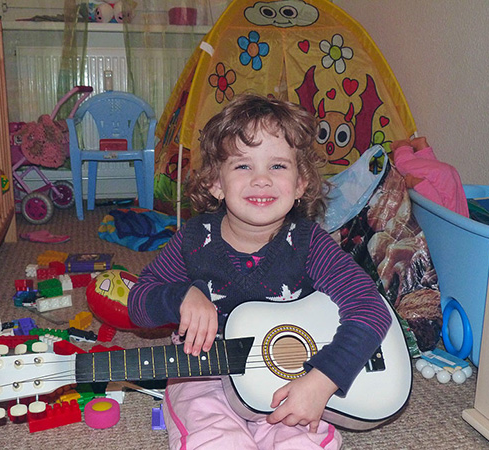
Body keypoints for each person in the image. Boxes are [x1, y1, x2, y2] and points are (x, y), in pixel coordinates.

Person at [128, 93, 392, 449]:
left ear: (301, 184)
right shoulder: (192, 240)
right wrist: (180, 296)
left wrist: (322, 380)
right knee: (213, 438)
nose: (262, 179)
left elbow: (370, 307)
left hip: (289, 378)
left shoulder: (310, 243)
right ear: (215, 183)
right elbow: (138, 302)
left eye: (278, 166)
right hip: (203, 371)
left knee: (300, 441)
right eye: (243, 166)